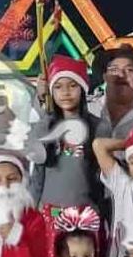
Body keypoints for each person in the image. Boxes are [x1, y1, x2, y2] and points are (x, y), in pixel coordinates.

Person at [30, 55, 107, 239]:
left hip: (86, 213)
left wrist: (102, 210)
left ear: (82, 89)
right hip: (49, 213)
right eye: (58, 87)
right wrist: (32, 210)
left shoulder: (99, 127)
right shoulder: (46, 126)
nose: (65, 92)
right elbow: (37, 172)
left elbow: (104, 176)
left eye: (72, 85)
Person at [89, 44, 133, 139]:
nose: (121, 75)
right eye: (114, 69)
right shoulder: (83, 112)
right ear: (105, 76)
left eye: (129, 70)